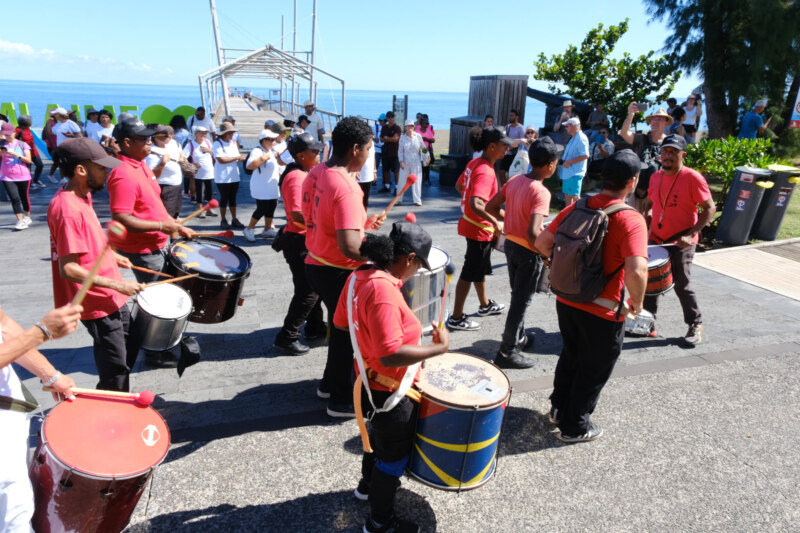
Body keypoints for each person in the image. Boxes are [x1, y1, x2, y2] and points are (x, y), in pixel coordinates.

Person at [333, 224, 449, 533]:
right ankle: (380, 522)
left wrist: (370, 337)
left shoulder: (359, 276)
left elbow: (341, 323)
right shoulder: (383, 290)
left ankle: (366, 487)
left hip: (366, 382)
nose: (417, 271)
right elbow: (390, 354)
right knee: (393, 459)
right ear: (409, 258)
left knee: (375, 440)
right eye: (419, 266)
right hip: (390, 391)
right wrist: (438, 348)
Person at [535, 149, 649, 442]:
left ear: (603, 176)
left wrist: (559, 266)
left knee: (571, 354)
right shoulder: (631, 219)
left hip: (567, 298)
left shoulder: (579, 206)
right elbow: (637, 271)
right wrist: (637, 301)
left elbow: (542, 242)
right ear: (632, 182)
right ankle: (574, 427)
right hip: (603, 307)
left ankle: (559, 409)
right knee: (594, 367)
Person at [302, 116, 385, 417]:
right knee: (349, 334)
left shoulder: (315, 173)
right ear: (354, 149)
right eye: (368, 149)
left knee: (338, 331)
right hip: (338, 270)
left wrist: (361, 223)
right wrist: (382, 255)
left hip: (315, 263)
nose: (369, 155)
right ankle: (340, 399)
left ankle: (328, 383)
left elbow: (315, 216)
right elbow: (350, 247)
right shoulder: (348, 188)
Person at [48, 138, 146, 391]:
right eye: (101, 167)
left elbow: (86, 243)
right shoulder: (67, 208)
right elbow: (68, 269)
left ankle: (109, 396)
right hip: (96, 301)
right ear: (81, 170)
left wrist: (111, 255)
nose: (107, 172)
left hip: (111, 294)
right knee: (115, 367)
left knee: (130, 346)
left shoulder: (83, 196)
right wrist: (116, 283)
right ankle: (111, 412)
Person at [107, 118, 195, 366]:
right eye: (144, 140)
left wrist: (175, 225)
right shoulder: (123, 174)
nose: (150, 143)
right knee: (157, 303)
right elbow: (121, 218)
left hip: (159, 243)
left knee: (164, 295)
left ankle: (161, 344)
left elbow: (155, 206)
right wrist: (161, 226)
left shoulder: (142, 165)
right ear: (126, 142)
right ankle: (155, 352)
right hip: (143, 250)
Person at [0, 303, 80, 533]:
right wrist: (41, 331)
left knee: (16, 504)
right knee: (12, 514)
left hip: (9, 410)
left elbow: (3, 325)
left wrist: (50, 375)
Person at [485, 138, 558, 369]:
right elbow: (533, 232)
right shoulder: (541, 192)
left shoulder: (515, 180)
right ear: (550, 165)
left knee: (518, 294)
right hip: (528, 251)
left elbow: (491, 207)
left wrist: (512, 217)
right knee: (521, 301)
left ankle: (520, 338)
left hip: (511, 246)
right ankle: (506, 352)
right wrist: (546, 255)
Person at [642, 134, 715, 345]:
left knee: (682, 284)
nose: (668, 155)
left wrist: (691, 234)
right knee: (649, 282)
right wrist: (646, 217)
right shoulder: (656, 176)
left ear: (683, 155)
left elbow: (710, 208)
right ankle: (647, 323)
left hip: (682, 239)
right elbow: (650, 202)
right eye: (665, 151)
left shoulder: (693, 177)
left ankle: (695, 323)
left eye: (674, 152)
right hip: (657, 237)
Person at [446, 126, 509, 332]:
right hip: (479, 229)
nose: (507, 149)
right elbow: (476, 204)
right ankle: (456, 317)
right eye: (504, 145)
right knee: (469, 271)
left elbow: (459, 186)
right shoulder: (486, 170)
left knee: (478, 267)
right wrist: (494, 221)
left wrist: (503, 216)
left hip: (471, 225)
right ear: (492, 146)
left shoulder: (475, 163)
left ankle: (484, 305)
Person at [274, 133, 327, 354]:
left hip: (304, 238)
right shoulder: (296, 177)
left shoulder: (303, 172)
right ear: (300, 155)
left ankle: (314, 326)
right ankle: (288, 335)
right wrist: (324, 225)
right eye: (313, 151)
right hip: (299, 240)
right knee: (308, 291)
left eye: (318, 150)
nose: (318, 154)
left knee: (312, 286)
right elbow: (296, 214)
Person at [618, 104, 672, 213]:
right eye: (653, 118)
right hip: (637, 189)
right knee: (632, 220)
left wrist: (665, 161)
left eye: (660, 119)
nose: (655, 121)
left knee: (650, 222)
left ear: (666, 123)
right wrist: (630, 114)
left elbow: (677, 166)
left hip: (657, 191)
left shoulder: (669, 143)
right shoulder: (641, 138)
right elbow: (624, 133)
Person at [243, 129, 281, 241]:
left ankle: (267, 229)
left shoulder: (270, 151)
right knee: (262, 208)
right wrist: (262, 158)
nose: (274, 141)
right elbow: (249, 166)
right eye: (272, 140)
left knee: (271, 207)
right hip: (262, 187)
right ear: (264, 141)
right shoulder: (257, 151)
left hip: (271, 186)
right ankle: (249, 229)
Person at [213, 121, 248, 229]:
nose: (232, 135)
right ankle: (223, 219)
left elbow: (235, 156)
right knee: (224, 197)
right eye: (230, 133)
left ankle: (234, 218)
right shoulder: (217, 143)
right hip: (222, 176)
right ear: (224, 133)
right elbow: (221, 159)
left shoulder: (232, 142)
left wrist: (240, 158)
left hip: (233, 175)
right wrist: (237, 158)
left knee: (232, 198)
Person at [146, 125, 185, 219]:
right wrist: (162, 163)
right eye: (166, 134)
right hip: (165, 187)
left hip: (177, 185)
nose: (169, 136)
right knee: (167, 217)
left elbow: (180, 155)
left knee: (175, 214)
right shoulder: (152, 152)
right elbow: (153, 175)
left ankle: (173, 232)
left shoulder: (172, 144)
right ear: (156, 136)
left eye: (169, 134)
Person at [1, 122, 34, 231]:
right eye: (5, 135)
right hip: (7, 177)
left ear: (14, 133)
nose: (7, 137)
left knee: (24, 197)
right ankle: (20, 221)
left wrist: (15, 154)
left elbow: (28, 160)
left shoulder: (22, 144)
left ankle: (27, 217)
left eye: (9, 134)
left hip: (23, 176)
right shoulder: (1, 144)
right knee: (15, 198)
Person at [183, 126, 216, 218]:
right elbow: (184, 157)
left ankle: (209, 209)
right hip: (197, 173)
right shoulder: (191, 144)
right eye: (202, 133)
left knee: (209, 192)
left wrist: (209, 150)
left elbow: (214, 153)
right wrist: (191, 165)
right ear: (196, 134)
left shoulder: (208, 142)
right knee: (199, 191)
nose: (204, 135)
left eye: (205, 133)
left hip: (209, 171)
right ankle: (201, 210)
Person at [559, 117, 590, 206]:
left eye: (567, 126)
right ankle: (569, 216)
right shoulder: (574, 138)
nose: (565, 128)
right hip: (569, 172)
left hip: (575, 172)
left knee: (576, 197)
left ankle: (581, 215)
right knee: (568, 196)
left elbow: (585, 155)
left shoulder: (581, 138)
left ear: (572, 126)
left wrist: (569, 162)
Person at [398, 119, 424, 206]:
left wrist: (426, 157)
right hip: (405, 161)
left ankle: (417, 200)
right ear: (405, 127)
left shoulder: (418, 136)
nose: (410, 128)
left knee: (417, 180)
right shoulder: (402, 138)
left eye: (411, 126)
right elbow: (400, 151)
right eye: (408, 126)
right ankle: (398, 199)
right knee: (402, 180)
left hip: (416, 161)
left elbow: (423, 148)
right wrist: (401, 161)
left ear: (414, 126)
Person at [14, 115, 45, 189]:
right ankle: (30, 183)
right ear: (26, 122)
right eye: (30, 121)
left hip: (33, 151)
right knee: (28, 168)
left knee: (40, 165)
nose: (31, 122)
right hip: (24, 151)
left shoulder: (28, 129)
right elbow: (13, 140)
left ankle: (36, 180)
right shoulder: (18, 130)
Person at [498, 109, 525, 186]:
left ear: (516, 117)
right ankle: (504, 190)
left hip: (515, 154)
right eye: (510, 115)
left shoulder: (521, 128)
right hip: (506, 154)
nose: (510, 117)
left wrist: (513, 146)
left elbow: (522, 141)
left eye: (512, 115)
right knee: (501, 173)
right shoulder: (507, 127)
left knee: (512, 175)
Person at [378, 112, 401, 194]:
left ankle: (397, 188)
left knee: (396, 171)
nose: (390, 119)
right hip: (386, 152)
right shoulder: (384, 128)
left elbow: (396, 139)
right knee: (386, 170)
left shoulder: (397, 128)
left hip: (395, 153)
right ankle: (387, 187)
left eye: (392, 117)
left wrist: (387, 138)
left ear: (394, 118)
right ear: (386, 119)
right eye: (388, 117)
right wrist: (390, 138)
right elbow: (381, 139)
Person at [415, 114, 435, 185]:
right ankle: (421, 178)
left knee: (426, 164)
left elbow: (433, 140)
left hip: (426, 149)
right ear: (422, 124)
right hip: (419, 149)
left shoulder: (429, 131)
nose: (427, 125)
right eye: (426, 123)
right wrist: (422, 139)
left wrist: (427, 139)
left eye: (428, 123)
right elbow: (415, 139)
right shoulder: (418, 131)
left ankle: (427, 178)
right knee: (420, 164)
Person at [373, 113, 386, 177]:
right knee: (376, 165)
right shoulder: (375, 127)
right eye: (379, 120)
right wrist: (375, 139)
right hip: (377, 150)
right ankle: (374, 179)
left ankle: (385, 180)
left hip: (384, 150)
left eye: (381, 120)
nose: (380, 121)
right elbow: (370, 136)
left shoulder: (387, 127)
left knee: (385, 165)